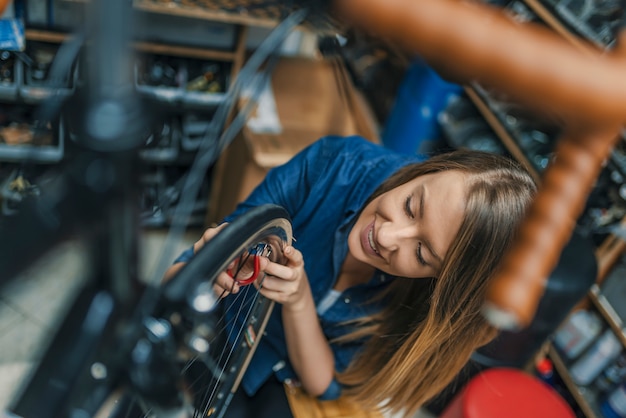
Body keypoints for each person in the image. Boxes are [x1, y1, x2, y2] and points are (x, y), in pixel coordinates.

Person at [164, 135, 537, 417]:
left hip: (286, 376)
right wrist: (206, 271)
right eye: (411, 205)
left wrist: (298, 298)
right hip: (222, 327)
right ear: (428, 169)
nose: (387, 238)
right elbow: (171, 285)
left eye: (422, 254)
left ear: (439, 279)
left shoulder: (421, 305)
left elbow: (323, 384)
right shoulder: (332, 166)